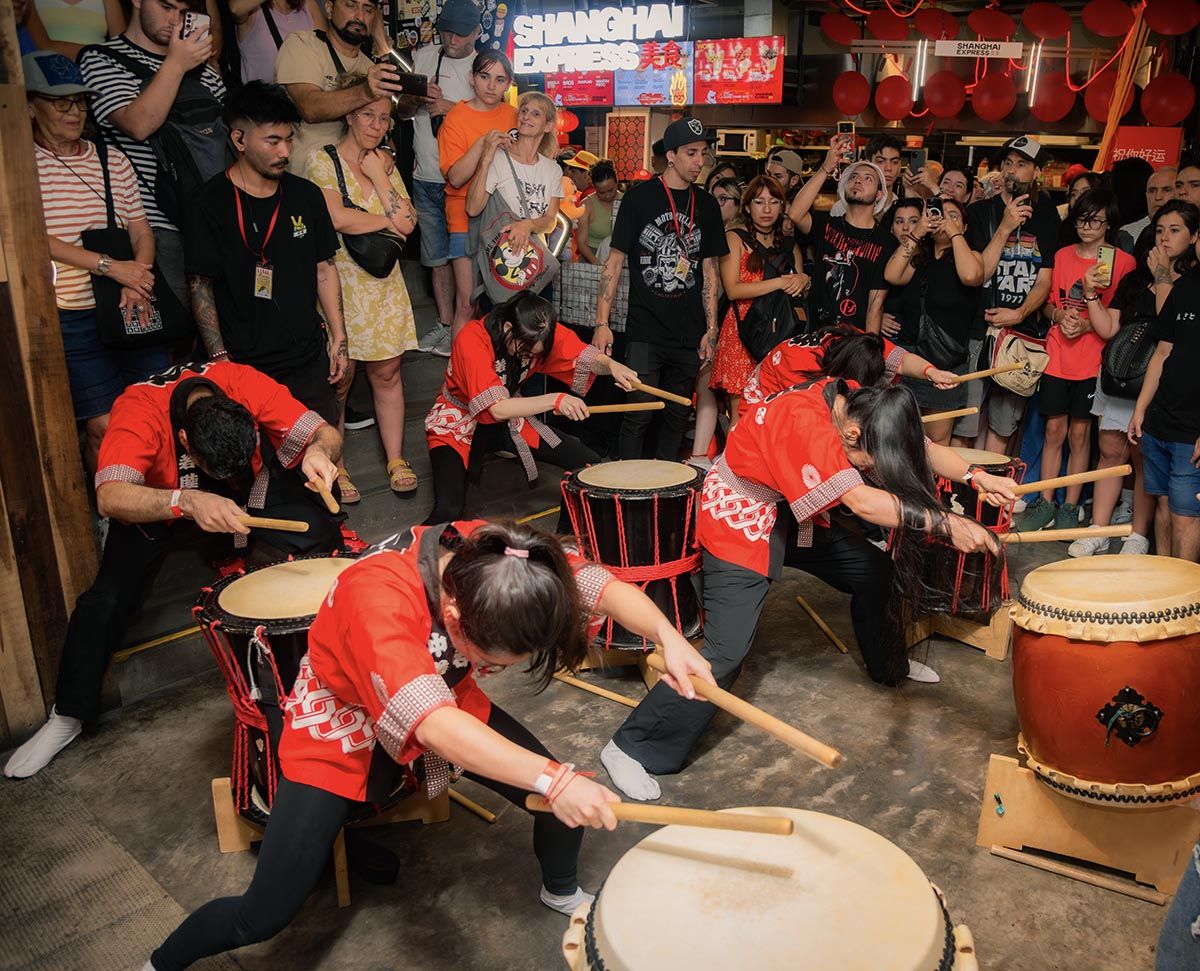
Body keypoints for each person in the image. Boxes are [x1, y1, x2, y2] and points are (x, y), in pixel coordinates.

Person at [143, 518, 715, 970]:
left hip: (441, 695)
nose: (498, 670)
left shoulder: (494, 555)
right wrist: (551, 778)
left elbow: (595, 583)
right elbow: (433, 724)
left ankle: (562, 892)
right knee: (263, 914)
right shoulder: (379, 596)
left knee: (561, 803)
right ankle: (159, 963)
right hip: (338, 726)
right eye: (494, 661)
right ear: (453, 614)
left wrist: (668, 637)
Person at [599, 378, 1016, 801]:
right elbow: (863, 503)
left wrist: (975, 475)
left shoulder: (857, 399)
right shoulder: (808, 426)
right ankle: (630, 747)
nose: (873, 467)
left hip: (792, 512)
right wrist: (947, 523)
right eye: (869, 461)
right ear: (852, 436)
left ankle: (890, 666)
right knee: (726, 653)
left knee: (874, 571)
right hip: (741, 515)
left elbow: (921, 446)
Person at [3, 361, 345, 780]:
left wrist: (318, 451)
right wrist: (187, 501)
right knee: (107, 598)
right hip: (165, 503)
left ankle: (321, 655)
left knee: (319, 525)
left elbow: (324, 431)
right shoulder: (139, 411)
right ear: (184, 439)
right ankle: (68, 715)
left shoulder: (244, 383)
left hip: (246, 495)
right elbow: (110, 496)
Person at [185, 82, 348, 447]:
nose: (285, 151)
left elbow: (324, 267)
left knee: (322, 452)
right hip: (243, 364)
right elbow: (200, 285)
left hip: (305, 356)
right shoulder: (208, 203)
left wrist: (339, 337)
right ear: (239, 140)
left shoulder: (305, 196)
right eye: (273, 141)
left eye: (289, 140)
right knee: (257, 468)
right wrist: (220, 359)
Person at [27, 52, 165, 475]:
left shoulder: (111, 160)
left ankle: (164, 504)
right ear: (31, 105)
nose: (75, 111)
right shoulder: (23, 166)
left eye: (80, 101)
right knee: (103, 423)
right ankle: (115, 509)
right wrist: (110, 266)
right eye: (60, 102)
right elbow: (36, 238)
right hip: (72, 314)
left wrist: (136, 277)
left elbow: (142, 232)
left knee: (156, 410)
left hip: (129, 303)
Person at [424, 292, 637, 524]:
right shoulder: (472, 338)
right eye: (524, 351)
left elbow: (583, 357)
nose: (528, 357)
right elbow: (497, 408)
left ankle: (566, 541)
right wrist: (555, 400)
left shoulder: (540, 332)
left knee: (589, 467)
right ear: (508, 328)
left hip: (509, 419)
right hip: (458, 420)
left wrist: (612, 365)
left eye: (534, 354)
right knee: (448, 510)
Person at [306, 79, 421, 498]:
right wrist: (388, 219)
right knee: (339, 381)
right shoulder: (321, 160)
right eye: (368, 114)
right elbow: (336, 217)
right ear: (350, 114)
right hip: (340, 283)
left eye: (383, 117)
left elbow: (410, 225)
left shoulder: (383, 164)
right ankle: (337, 464)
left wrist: (379, 176)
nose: (375, 124)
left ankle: (395, 458)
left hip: (384, 284)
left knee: (387, 374)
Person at [591, 118, 727, 462]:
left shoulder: (707, 204)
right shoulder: (639, 199)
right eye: (691, 153)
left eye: (703, 153)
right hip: (645, 328)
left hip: (689, 331)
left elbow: (710, 271)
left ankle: (666, 488)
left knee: (676, 415)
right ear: (671, 156)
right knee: (637, 413)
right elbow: (614, 263)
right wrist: (601, 323)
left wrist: (711, 330)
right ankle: (628, 488)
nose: (700, 161)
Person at [78, 0, 226, 307]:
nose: (175, 19)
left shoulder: (204, 72)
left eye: (185, 13)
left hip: (212, 222)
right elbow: (138, 124)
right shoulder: (101, 58)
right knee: (165, 333)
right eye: (166, 6)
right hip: (148, 226)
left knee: (222, 339)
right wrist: (177, 62)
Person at [1070, 204, 1197, 556]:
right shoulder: (1135, 278)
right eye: (1160, 229)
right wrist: (1091, 294)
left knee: (1146, 462)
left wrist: (1162, 277)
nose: (1164, 237)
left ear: (1194, 236)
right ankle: (1099, 527)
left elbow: (1171, 328)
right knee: (1110, 450)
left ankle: (1138, 535)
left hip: (1162, 385)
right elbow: (1110, 328)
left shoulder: (1185, 282)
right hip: (1122, 375)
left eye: (1175, 230)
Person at [1016, 189, 1134, 533]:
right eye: (1081, 219)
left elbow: (1118, 318)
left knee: (1081, 435)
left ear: (1108, 224)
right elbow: (1047, 303)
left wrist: (1085, 323)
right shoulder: (1062, 255)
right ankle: (1044, 501)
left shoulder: (1122, 262)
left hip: (1092, 359)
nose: (1086, 226)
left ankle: (1070, 505)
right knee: (1053, 430)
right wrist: (1058, 316)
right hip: (1057, 355)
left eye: (1094, 220)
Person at [958, 135, 1060, 454]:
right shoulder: (978, 213)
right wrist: (1004, 227)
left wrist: (1018, 314)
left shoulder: (1048, 217)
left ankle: (985, 500)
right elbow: (978, 275)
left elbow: (1045, 279)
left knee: (1002, 427)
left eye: (1022, 164)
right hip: (977, 328)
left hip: (1020, 334)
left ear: (1036, 173)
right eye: (1008, 164)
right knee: (966, 420)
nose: (1013, 171)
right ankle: (960, 495)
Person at [407, 0, 482, 358]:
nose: (451, 38)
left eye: (460, 32)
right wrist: (417, 100)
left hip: (465, 182)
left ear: (478, 33)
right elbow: (401, 110)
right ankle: (443, 325)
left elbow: (495, 118)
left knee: (465, 259)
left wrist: (451, 108)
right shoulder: (424, 57)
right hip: (425, 175)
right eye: (447, 30)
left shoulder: (485, 66)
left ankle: (467, 332)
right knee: (435, 258)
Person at [1129, 201, 1200, 561]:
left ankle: (1186, 602)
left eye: (1177, 230)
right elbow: (1162, 351)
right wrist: (1140, 409)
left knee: (1185, 514)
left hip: (1193, 428)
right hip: (1160, 420)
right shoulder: (1185, 287)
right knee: (1162, 504)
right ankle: (1162, 586)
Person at [883, 197, 984, 445]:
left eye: (954, 216)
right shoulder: (920, 257)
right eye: (941, 214)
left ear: (965, 226)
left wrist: (953, 233)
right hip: (909, 361)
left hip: (944, 364)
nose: (945, 220)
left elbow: (971, 276)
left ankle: (933, 486)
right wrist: (918, 232)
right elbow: (892, 275)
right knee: (900, 438)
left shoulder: (972, 256)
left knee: (937, 443)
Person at [709, 175, 807, 427]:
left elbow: (797, 289)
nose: (766, 209)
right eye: (759, 201)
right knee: (741, 415)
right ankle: (732, 466)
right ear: (747, 206)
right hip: (742, 331)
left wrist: (804, 279)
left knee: (776, 414)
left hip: (779, 334)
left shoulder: (788, 244)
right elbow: (732, 290)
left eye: (773, 202)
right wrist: (780, 282)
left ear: (782, 207)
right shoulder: (734, 238)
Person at [438, 49, 519, 336]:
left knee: (501, 305)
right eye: (484, 76)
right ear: (471, 78)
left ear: (508, 83)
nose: (491, 85)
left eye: (499, 79)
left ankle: (489, 369)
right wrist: (483, 146)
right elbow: (456, 177)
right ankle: (458, 374)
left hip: (505, 219)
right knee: (467, 303)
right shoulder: (456, 118)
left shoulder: (515, 116)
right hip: (464, 219)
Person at [275, 0, 404, 175]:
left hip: (357, 180)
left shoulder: (370, 68)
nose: (359, 16)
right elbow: (309, 108)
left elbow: (383, 129)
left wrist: (388, 151)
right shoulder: (303, 44)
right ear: (329, 9)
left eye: (367, 9)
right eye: (351, 6)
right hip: (307, 177)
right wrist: (365, 92)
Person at [464, 90, 563, 302]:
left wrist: (526, 225)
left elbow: (550, 221)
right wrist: (487, 157)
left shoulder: (552, 169)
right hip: (501, 263)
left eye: (536, 114)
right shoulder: (499, 159)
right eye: (524, 111)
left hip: (535, 265)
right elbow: (472, 208)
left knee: (537, 331)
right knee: (501, 330)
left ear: (548, 126)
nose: (526, 116)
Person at [787, 137, 893, 332]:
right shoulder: (826, 224)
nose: (858, 180)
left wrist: (868, 350)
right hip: (817, 334)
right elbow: (794, 214)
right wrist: (826, 167)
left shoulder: (886, 241)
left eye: (868, 178)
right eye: (853, 177)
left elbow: (875, 304)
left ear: (879, 194)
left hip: (853, 341)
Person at [231, 0, 324, 84]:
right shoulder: (252, 11)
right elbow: (235, 9)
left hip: (309, 95)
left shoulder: (308, 5)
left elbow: (327, 55)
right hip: (268, 99)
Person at [575, 159, 621, 265]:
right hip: (591, 257)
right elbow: (582, 243)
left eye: (611, 190)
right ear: (594, 188)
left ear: (616, 182)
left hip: (617, 257)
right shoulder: (587, 204)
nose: (608, 195)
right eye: (602, 193)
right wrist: (598, 265)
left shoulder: (626, 201)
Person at [1119, 166, 1177, 252]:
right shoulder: (1127, 233)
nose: (1157, 197)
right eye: (1152, 191)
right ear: (1146, 196)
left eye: (1166, 190)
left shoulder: (1189, 233)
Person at [866, 133, 903, 208]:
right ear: (868, 164)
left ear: (900, 167)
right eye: (880, 161)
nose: (888, 168)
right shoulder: (845, 207)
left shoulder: (900, 209)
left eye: (894, 162)